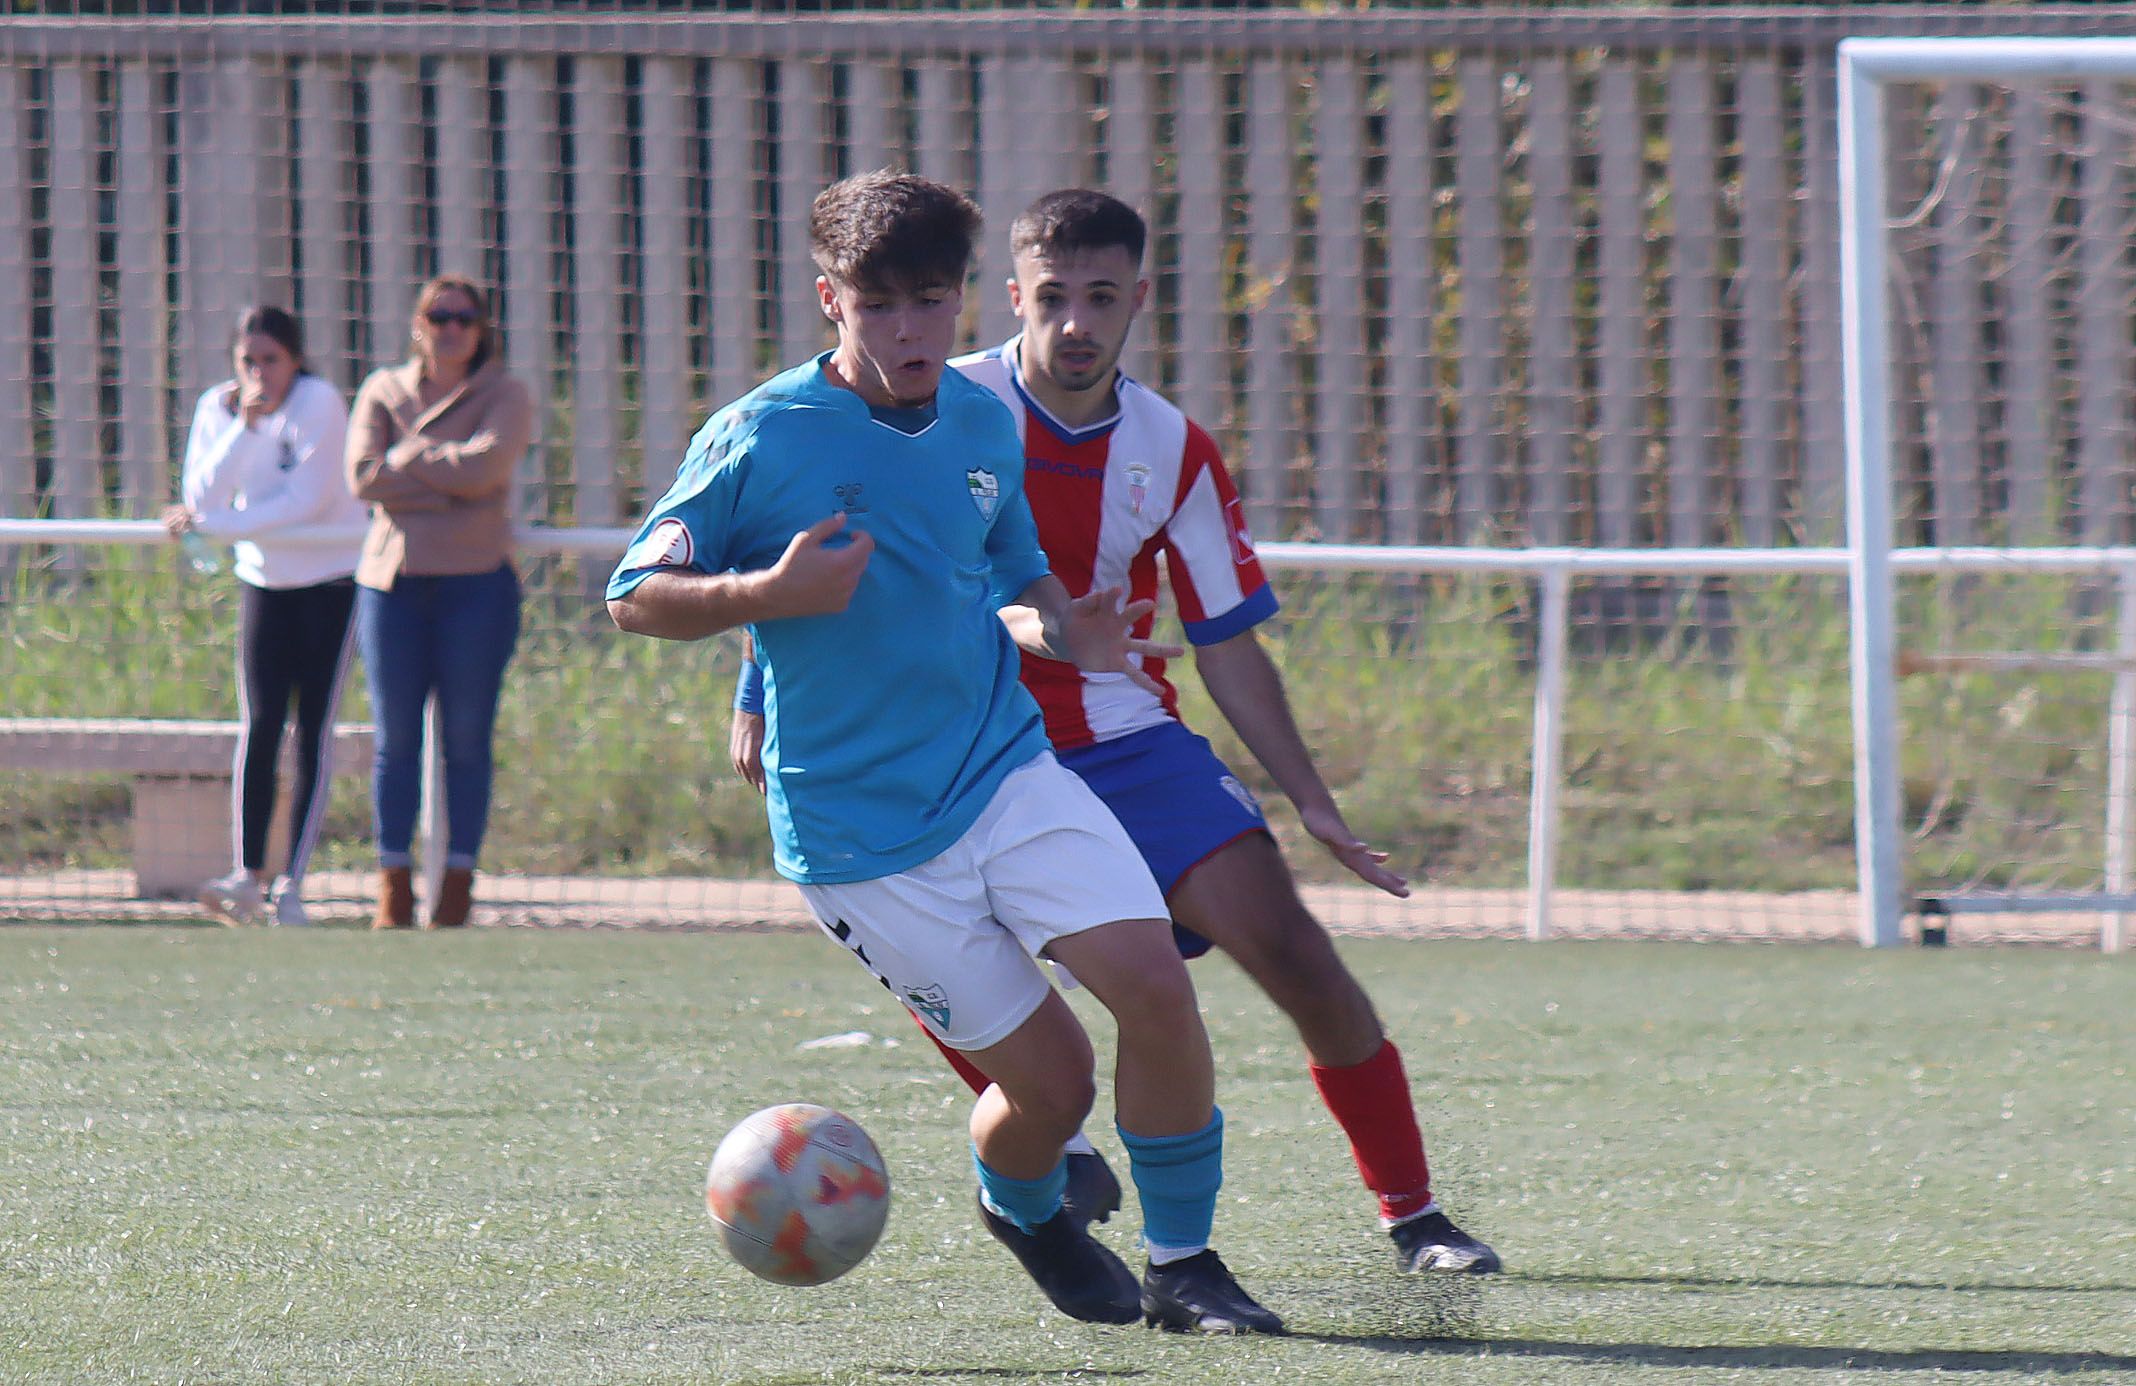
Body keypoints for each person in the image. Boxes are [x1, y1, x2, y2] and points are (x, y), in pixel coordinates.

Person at [733, 188, 1501, 1276]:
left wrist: (1310, 798)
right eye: (1053, 298)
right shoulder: (933, 398)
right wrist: (758, 691)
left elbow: (1226, 641)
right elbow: (830, 550)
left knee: (1292, 949)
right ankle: (1056, 1145)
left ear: (1139, 299)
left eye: (1101, 298)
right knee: (977, 965)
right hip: (957, 751)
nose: (1076, 324)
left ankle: (1412, 1214)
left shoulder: (1172, 446)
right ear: (1012, 298)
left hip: (1121, 742)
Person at [609, 172, 1282, 1335]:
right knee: (1053, 1081)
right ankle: (1020, 1208)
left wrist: (1061, 622)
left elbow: (1009, 570)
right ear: (832, 301)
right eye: (880, 307)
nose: (911, 331)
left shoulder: (981, 422)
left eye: (931, 301)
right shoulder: (761, 436)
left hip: (1005, 772)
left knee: (1158, 991)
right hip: (863, 841)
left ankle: (1187, 1265)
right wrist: (763, 596)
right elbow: (634, 594)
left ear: (965, 296)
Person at [164, 305, 365, 929]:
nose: (259, 374)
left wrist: (213, 530)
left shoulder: (319, 403)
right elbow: (201, 494)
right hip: (265, 581)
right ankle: (246, 874)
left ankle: (291, 883)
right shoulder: (218, 410)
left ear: (295, 359)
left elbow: (305, 500)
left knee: (312, 730)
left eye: (271, 360)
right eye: (248, 361)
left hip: (330, 581)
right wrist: (244, 429)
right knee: (260, 723)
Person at [344, 275, 535, 930]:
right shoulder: (382, 388)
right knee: (395, 741)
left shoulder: (505, 393)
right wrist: (449, 481)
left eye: (464, 318)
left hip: (476, 584)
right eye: (439, 317)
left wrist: (412, 459)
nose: (452, 329)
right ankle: (392, 883)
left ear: (481, 329)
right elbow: (364, 478)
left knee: (466, 739)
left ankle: (457, 881)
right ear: (417, 325)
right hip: (391, 588)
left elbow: (488, 471)